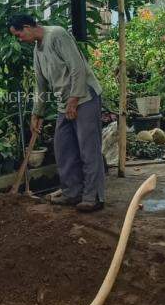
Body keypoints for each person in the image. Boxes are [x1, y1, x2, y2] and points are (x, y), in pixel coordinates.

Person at [8, 13, 105, 213]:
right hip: (65, 104)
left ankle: (93, 197)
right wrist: (37, 113)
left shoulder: (57, 35)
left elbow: (77, 67)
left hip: (84, 98)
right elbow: (41, 84)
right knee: (63, 149)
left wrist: (74, 99)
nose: (19, 39)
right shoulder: (37, 49)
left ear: (27, 27)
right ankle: (72, 193)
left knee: (88, 150)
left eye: (18, 34)